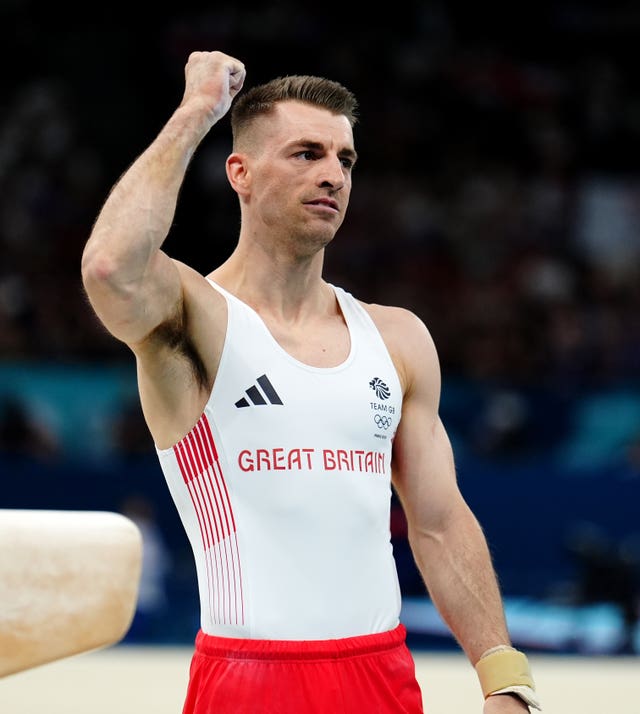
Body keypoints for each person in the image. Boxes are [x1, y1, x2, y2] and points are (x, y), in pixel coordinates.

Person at [81, 50, 541, 713]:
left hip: (381, 675)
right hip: (247, 681)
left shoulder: (398, 338)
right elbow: (109, 270)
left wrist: (505, 677)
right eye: (305, 153)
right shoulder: (192, 318)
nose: (333, 176)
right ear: (239, 172)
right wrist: (195, 113)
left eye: (344, 159)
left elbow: (438, 522)